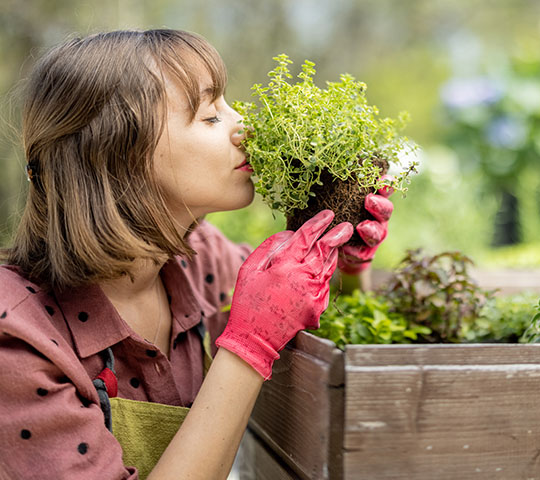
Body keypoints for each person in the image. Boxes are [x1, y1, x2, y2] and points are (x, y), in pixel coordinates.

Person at [0, 29, 394, 479]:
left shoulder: (199, 259)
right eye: (210, 117)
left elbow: (296, 307)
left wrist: (344, 262)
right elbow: (261, 328)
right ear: (116, 156)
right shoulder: (16, 338)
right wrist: (250, 346)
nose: (245, 128)